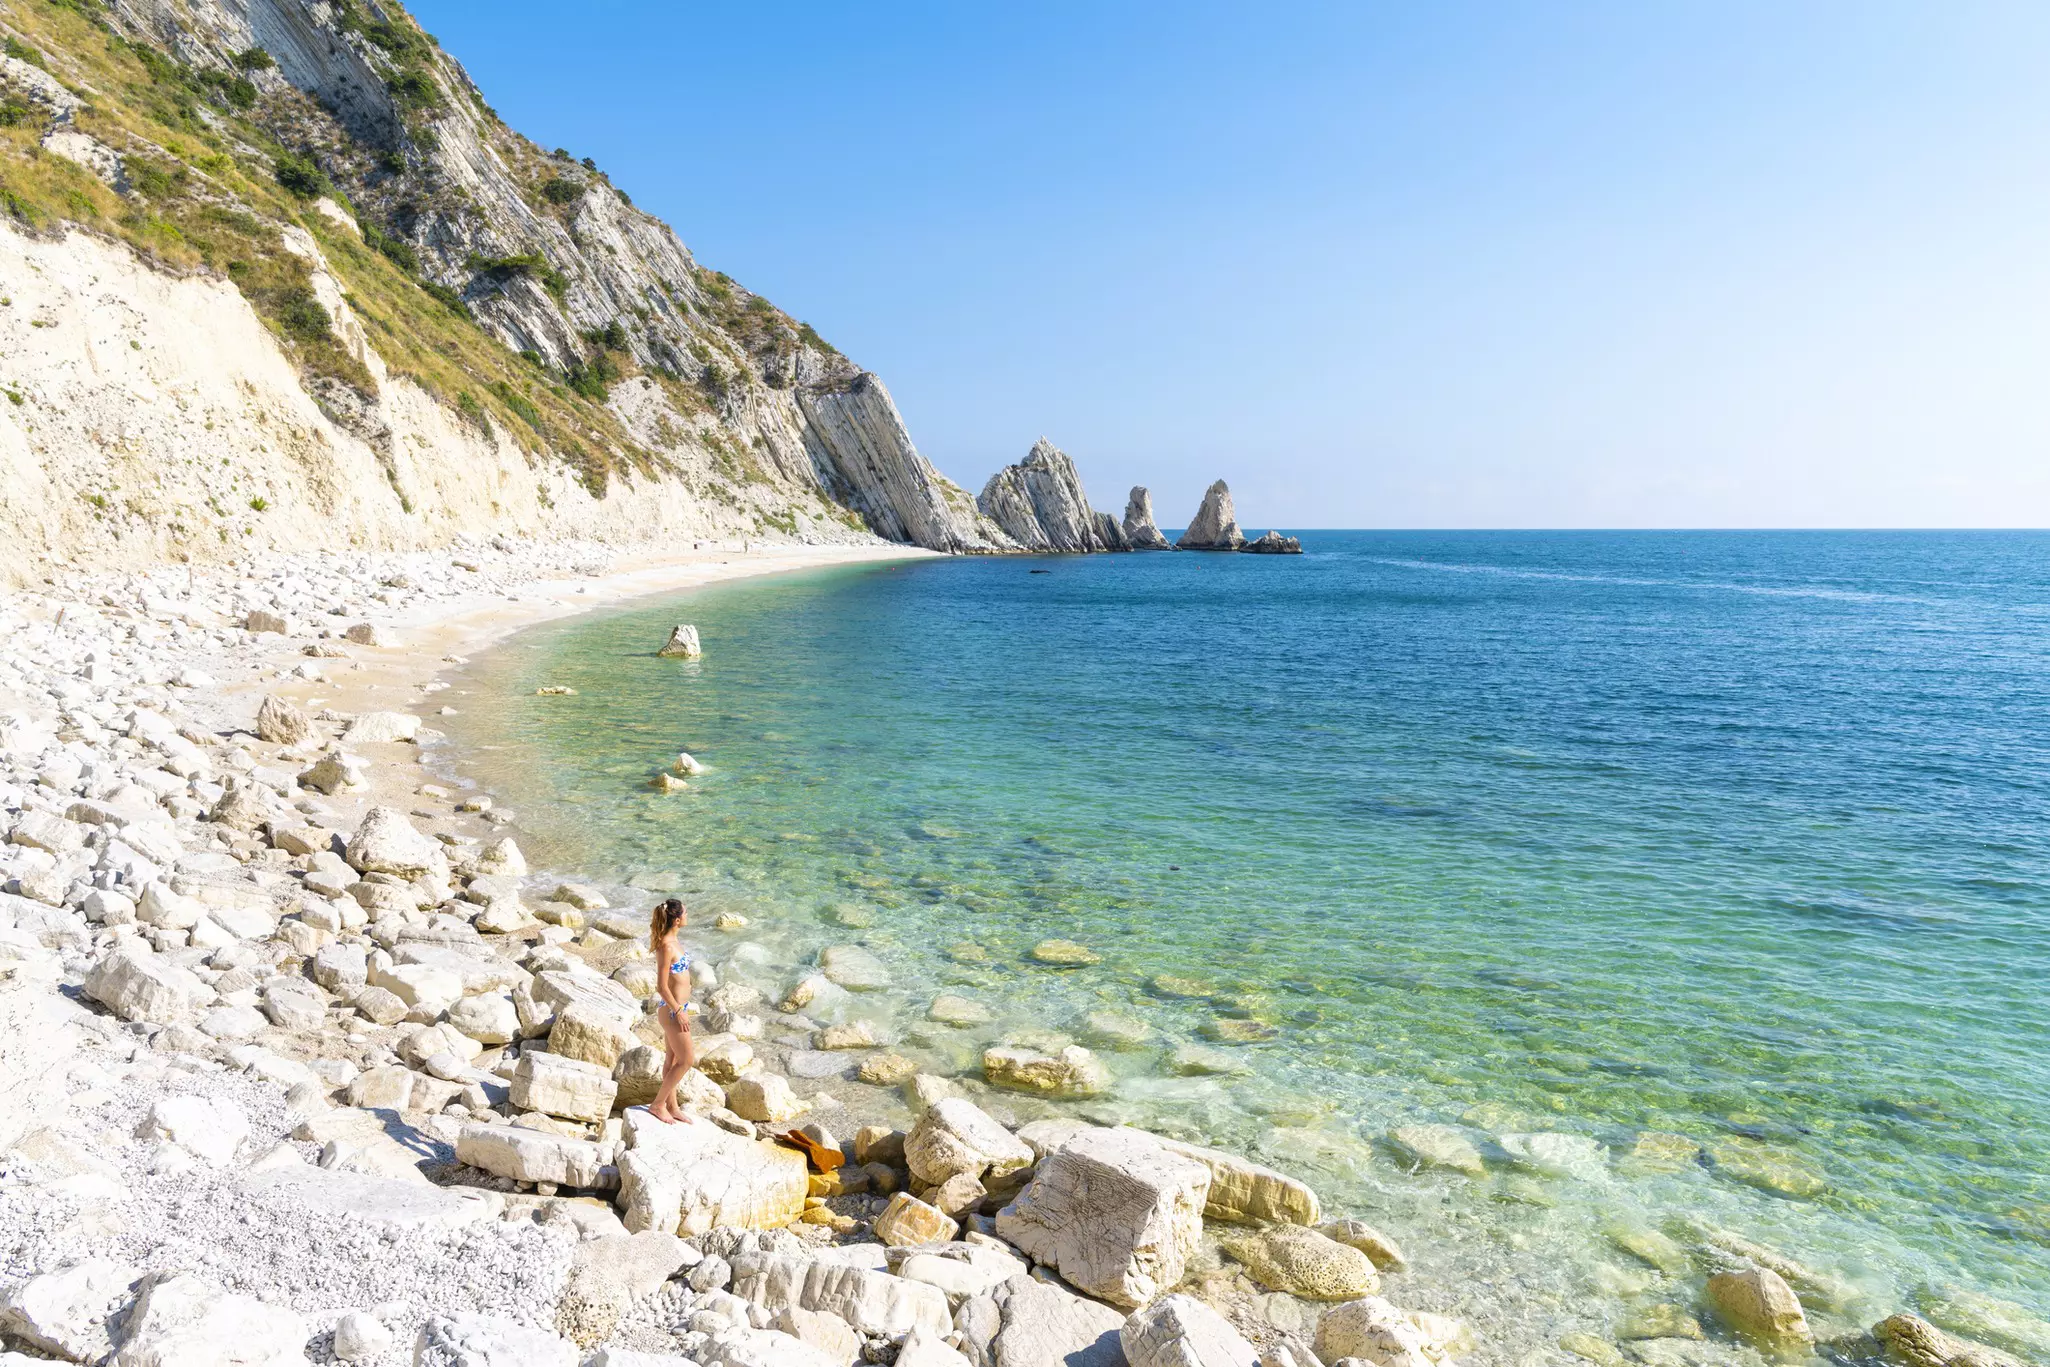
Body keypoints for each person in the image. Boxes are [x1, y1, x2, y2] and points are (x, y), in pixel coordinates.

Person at [648, 897, 697, 1124]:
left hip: (679, 1007)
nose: (687, 916)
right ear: (677, 920)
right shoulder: (666, 946)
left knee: (673, 1058)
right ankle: (658, 1104)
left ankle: (672, 1105)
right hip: (672, 1011)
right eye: (685, 914)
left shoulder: (675, 942)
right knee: (686, 1060)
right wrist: (678, 1010)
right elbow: (661, 986)